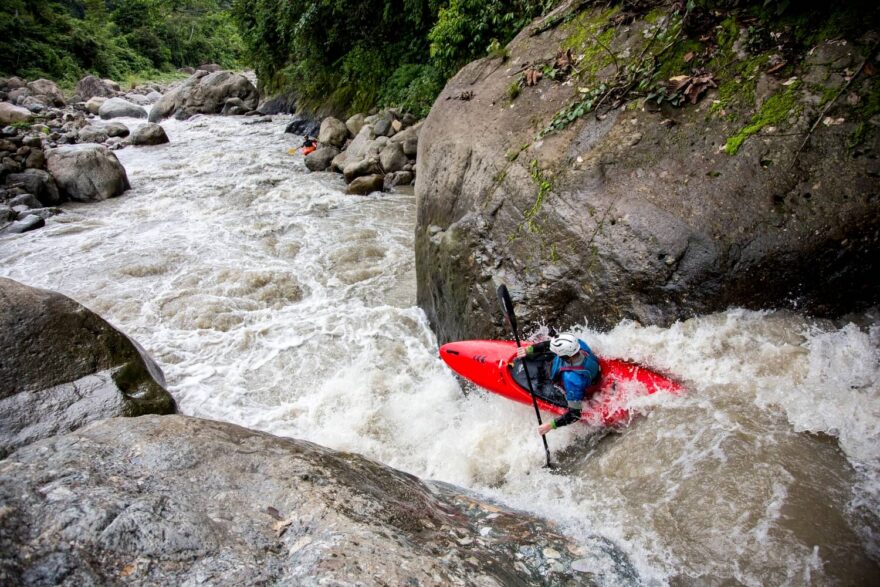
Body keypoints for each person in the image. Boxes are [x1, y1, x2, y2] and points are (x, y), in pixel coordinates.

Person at [516, 333, 601, 435]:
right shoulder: (579, 345)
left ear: (565, 356)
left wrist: (551, 425)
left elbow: (575, 414)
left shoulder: (572, 380)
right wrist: (528, 350)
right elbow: (550, 345)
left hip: (573, 384)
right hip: (579, 372)